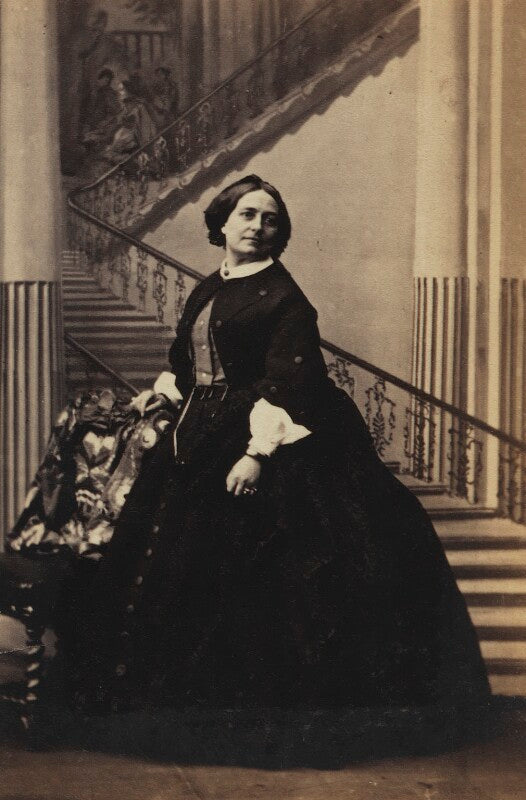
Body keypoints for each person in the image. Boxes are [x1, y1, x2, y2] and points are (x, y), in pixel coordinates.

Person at [53, 175, 489, 713]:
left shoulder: (285, 297)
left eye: (270, 220)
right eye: (247, 214)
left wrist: (256, 453)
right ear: (222, 223)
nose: (258, 226)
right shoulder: (208, 287)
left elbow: (288, 383)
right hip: (199, 431)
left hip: (259, 436)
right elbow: (187, 364)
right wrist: (163, 392)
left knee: (258, 580)